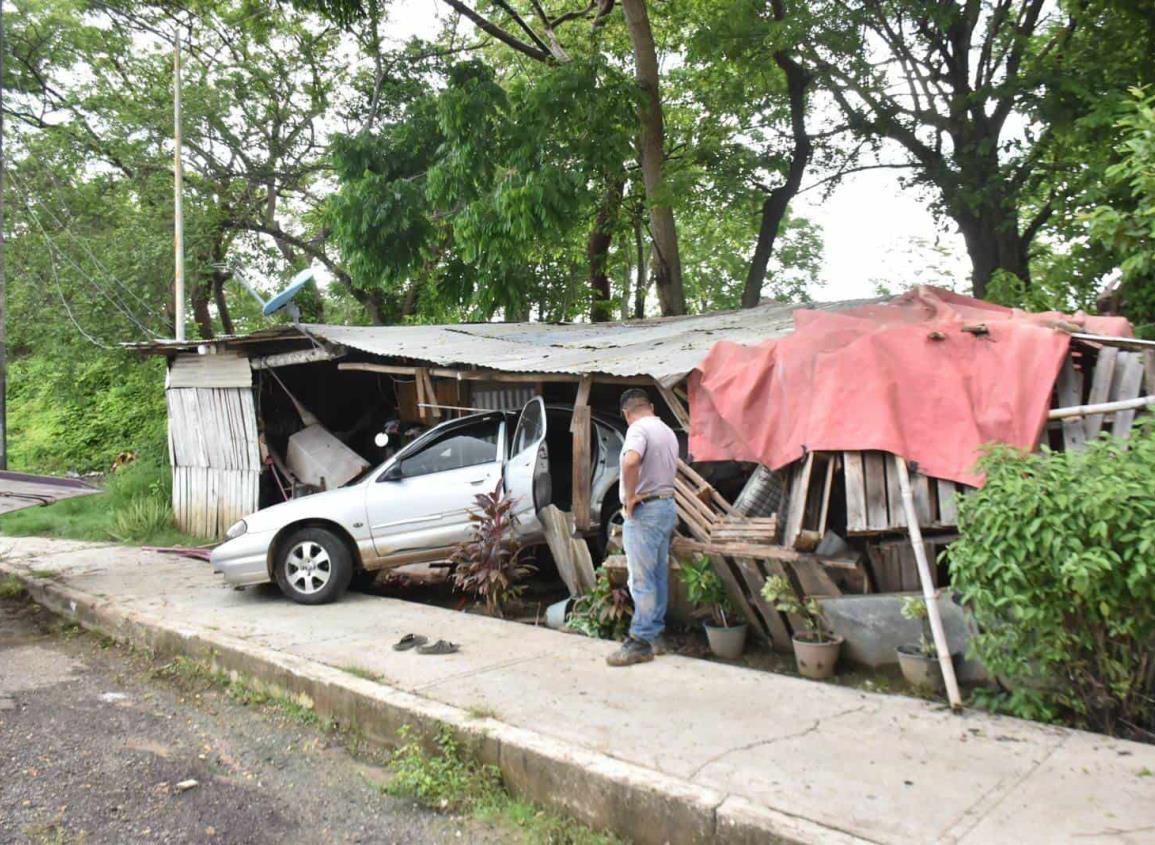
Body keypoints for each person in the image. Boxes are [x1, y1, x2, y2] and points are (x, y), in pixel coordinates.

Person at [606, 388, 679, 667]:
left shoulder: (638, 430)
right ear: (650, 406)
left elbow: (631, 460)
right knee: (658, 574)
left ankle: (639, 641)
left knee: (641, 578)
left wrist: (631, 495)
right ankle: (655, 636)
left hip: (645, 511)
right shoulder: (666, 431)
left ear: (627, 413)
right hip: (666, 507)